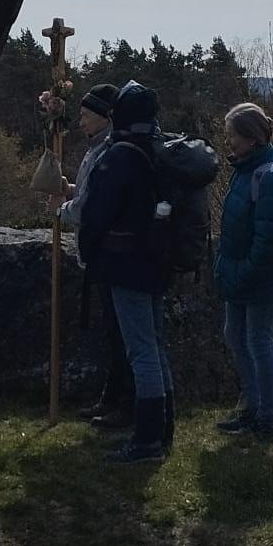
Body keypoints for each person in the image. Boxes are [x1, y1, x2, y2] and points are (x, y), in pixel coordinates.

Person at [77, 81, 176, 464]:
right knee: (154, 345)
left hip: (126, 262)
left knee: (141, 350)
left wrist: (89, 251)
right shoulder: (160, 150)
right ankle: (164, 431)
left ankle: (148, 439)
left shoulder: (119, 155)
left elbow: (96, 213)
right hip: (157, 259)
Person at [213, 103, 273, 443]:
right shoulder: (246, 169)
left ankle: (268, 420)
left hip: (262, 278)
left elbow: (270, 241)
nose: (229, 142)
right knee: (235, 337)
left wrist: (244, 271)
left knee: (258, 342)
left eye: (233, 135)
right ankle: (251, 409)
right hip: (241, 273)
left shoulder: (272, 177)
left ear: (251, 138)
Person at [47, 83, 131, 428]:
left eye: (86, 115)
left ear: (104, 116)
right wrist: (69, 190)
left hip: (111, 253)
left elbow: (90, 208)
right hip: (100, 253)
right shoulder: (96, 148)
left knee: (121, 334)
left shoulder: (109, 151)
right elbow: (87, 194)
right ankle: (112, 398)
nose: (81, 122)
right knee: (113, 332)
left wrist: (61, 209)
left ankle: (123, 405)